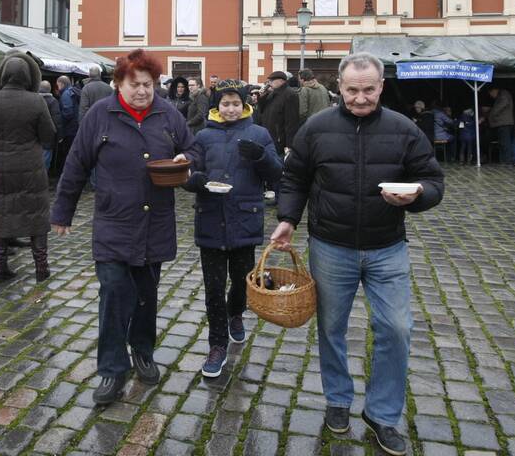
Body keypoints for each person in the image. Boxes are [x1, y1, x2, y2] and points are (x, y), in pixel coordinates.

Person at [270, 52, 444, 454]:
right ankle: (338, 399)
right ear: (339, 88)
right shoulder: (316, 127)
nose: (360, 98)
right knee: (332, 329)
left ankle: (383, 414)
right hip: (331, 246)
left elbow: (433, 179)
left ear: (381, 87)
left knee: (397, 328)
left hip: (387, 248)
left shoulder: (404, 129)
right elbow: (294, 178)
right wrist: (288, 219)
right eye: (352, 90)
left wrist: (418, 195)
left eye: (368, 90)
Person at [51, 48, 200, 405]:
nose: (142, 91)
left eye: (148, 85)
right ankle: (111, 370)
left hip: (155, 223)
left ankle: (143, 351)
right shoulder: (100, 115)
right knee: (114, 295)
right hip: (114, 223)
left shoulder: (167, 115)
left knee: (147, 297)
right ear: (118, 83)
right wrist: (62, 211)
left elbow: (195, 149)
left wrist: (187, 159)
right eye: (134, 85)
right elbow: (76, 163)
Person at [184, 79, 282, 378]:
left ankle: (236, 313)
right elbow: (189, 169)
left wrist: (261, 156)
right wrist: (195, 180)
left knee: (242, 284)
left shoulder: (258, 133)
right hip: (211, 218)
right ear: (216, 107)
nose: (230, 109)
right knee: (213, 289)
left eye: (235, 104)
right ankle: (217, 345)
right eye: (224, 104)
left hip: (244, 218)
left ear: (244, 106)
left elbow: (277, 173)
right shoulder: (202, 137)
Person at [0, 52, 57, 282]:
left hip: (0, 167)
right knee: (37, 216)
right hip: (31, 166)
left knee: (0, 214)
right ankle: (41, 267)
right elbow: (49, 134)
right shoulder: (37, 100)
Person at [257, 71, 299, 155]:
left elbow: (291, 121)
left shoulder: (290, 94)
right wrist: (262, 96)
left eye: (271, 80)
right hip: (269, 134)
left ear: (281, 81)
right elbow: (262, 110)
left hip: (279, 138)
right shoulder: (272, 93)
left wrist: (289, 144)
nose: (269, 83)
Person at [56, 75, 81, 173]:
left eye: (57, 84)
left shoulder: (66, 94)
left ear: (61, 84)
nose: (57, 87)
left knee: (67, 152)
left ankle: (68, 172)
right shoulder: (73, 91)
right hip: (75, 127)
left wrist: (59, 117)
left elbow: (68, 113)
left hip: (69, 129)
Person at [38, 80, 62, 175]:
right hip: (48, 136)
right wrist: (59, 136)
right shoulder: (53, 101)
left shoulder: (33, 100)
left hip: (34, 135)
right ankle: (43, 179)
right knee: (46, 158)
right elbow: (57, 120)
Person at [487, 86, 514, 165]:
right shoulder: (502, 95)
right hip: (501, 123)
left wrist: (491, 114)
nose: (491, 96)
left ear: (495, 90)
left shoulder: (503, 94)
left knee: (505, 143)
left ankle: (507, 161)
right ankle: (503, 160)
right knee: (503, 143)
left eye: (491, 94)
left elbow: (500, 106)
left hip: (504, 123)